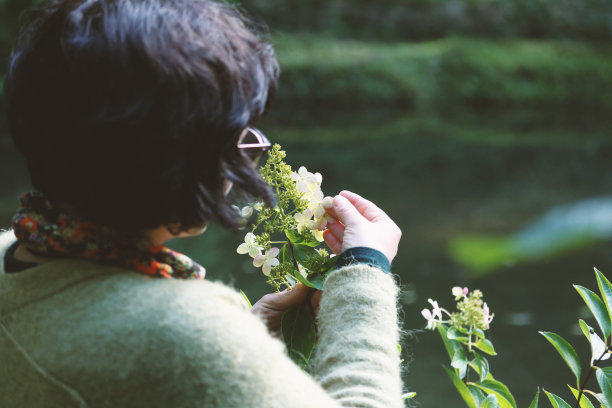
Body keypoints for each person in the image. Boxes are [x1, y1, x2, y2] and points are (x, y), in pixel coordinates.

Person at [0, 0, 405, 407]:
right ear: (182, 157)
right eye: (238, 134)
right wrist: (364, 270)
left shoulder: (10, 259)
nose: (247, 153)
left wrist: (242, 344)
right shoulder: (185, 336)